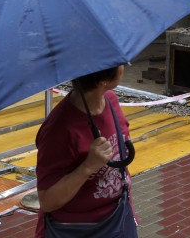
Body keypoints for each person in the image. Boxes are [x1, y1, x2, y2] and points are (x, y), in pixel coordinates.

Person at [35, 65, 137, 238]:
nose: (124, 66)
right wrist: (88, 167)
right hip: (78, 229)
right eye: (120, 63)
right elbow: (47, 201)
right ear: (104, 80)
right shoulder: (58, 129)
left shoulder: (111, 101)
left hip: (118, 218)